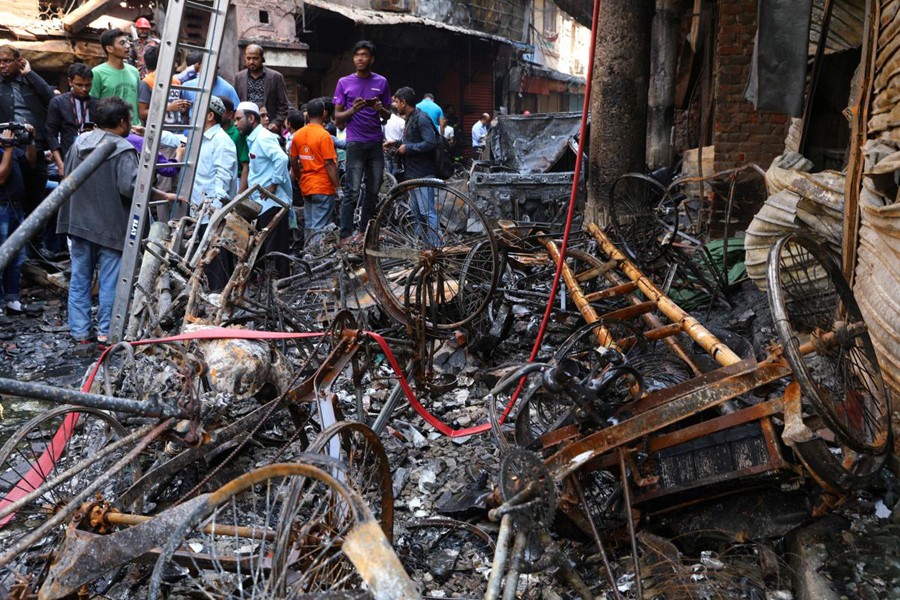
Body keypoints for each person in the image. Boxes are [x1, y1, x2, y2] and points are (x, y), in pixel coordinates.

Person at [58, 96, 179, 350]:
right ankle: (106, 334)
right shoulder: (122, 149)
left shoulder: (79, 143)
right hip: (111, 227)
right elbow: (131, 187)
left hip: (79, 224)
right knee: (110, 282)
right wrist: (154, 180)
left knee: (80, 278)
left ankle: (80, 332)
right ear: (122, 122)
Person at [333, 40, 391, 243]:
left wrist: (379, 109)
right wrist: (353, 110)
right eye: (357, 55)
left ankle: (364, 232)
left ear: (371, 59)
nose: (360, 58)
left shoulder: (382, 82)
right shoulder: (344, 82)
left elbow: (388, 115)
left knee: (373, 191)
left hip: (376, 143)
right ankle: (345, 235)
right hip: (355, 142)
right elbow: (338, 117)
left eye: (364, 55)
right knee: (352, 190)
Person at [234, 101, 292, 277]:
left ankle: (281, 288)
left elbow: (281, 158)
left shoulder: (263, 137)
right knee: (268, 249)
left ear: (251, 118)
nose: (236, 123)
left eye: (238, 119)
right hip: (263, 203)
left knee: (276, 250)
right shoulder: (253, 139)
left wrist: (273, 184)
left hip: (272, 202)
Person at [191, 96, 238, 290]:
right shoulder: (202, 139)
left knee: (217, 264)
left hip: (212, 215)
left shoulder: (222, 142)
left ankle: (218, 307)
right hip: (201, 213)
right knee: (206, 264)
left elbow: (223, 179)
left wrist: (214, 215)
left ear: (210, 115)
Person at [0, 44, 54, 203]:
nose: (2, 65)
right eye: (0, 62)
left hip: (34, 145)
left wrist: (30, 74)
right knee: (14, 195)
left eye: (7, 61)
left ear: (19, 61)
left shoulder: (29, 80)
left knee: (36, 196)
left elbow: (51, 98)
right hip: (8, 147)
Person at [386, 87, 438, 246]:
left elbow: (430, 143)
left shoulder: (422, 118)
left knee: (427, 212)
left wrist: (407, 149)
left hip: (423, 173)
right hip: (412, 174)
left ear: (403, 102)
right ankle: (422, 247)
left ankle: (437, 248)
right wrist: (396, 144)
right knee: (416, 213)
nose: (395, 104)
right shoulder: (409, 118)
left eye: (396, 101)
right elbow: (412, 140)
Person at [0, 124, 40, 326]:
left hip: (15, 208)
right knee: (2, 257)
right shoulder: (6, 149)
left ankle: (12, 299)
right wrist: (7, 148)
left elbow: (30, 163)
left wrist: (30, 140)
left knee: (16, 257)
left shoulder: (10, 149)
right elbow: (1, 177)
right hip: (1, 209)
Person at [290, 98, 341, 246]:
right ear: (324, 113)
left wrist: (299, 177)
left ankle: (308, 255)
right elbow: (329, 164)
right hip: (323, 186)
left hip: (306, 186)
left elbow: (293, 160)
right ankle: (316, 260)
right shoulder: (324, 135)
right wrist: (338, 188)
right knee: (320, 227)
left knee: (310, 225)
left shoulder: (298, 135)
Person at [45, 63, 98, 177]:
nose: (84, 89)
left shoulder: (97, 104)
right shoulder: (58, 103)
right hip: (68, 160)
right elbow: (51, 135)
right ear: (70, 82)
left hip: (93, 161)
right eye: (79, 85)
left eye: (88, 85)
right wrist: (60, 165)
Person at [234, 45, 290, 133]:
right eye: (248, 58)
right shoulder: (239, 77)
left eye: (255, 58)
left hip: (269, 128)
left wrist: (276, 123)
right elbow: (236, 104)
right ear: (244, 58)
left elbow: (283, 105)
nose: (251, 62)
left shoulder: (276, 77)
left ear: (262, 58)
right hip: (246, 128)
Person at [91, 29, 141, 126]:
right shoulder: (97, 73)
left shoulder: (134, 72)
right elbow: (93, 105)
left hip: (135, 129)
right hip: (111, 130)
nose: (128, 46)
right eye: (122, 43)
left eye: (127, 42)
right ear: (109, 48)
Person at [137, 45, 190, 125]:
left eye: (177, 61)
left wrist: (183, 109)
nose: (176, 66)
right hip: (159, 133)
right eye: (172, 61)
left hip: (177, 131)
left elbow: (178, 112)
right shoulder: (148, 82)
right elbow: (142, 113)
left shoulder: (176, 81)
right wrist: (167, 108)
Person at [221, 97, 249, 192]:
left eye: (220, 110)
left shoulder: (238, 134)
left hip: (236, 179)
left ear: (229, 114)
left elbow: (245, 165)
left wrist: (240, 194)